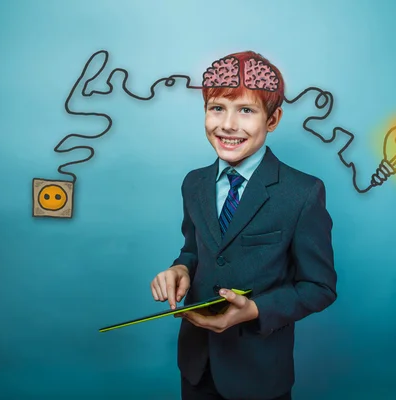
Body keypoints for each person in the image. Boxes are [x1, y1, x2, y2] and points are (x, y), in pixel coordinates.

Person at [150, 50, 337, 400]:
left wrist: (255, 310)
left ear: (273, 119)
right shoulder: (193, 183)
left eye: (246, 111)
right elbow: (194, 250)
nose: (228, 125)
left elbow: (319, 286)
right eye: (217, 108)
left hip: (259, 374)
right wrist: (180, 269)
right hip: (196, 366)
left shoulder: (303, 193)